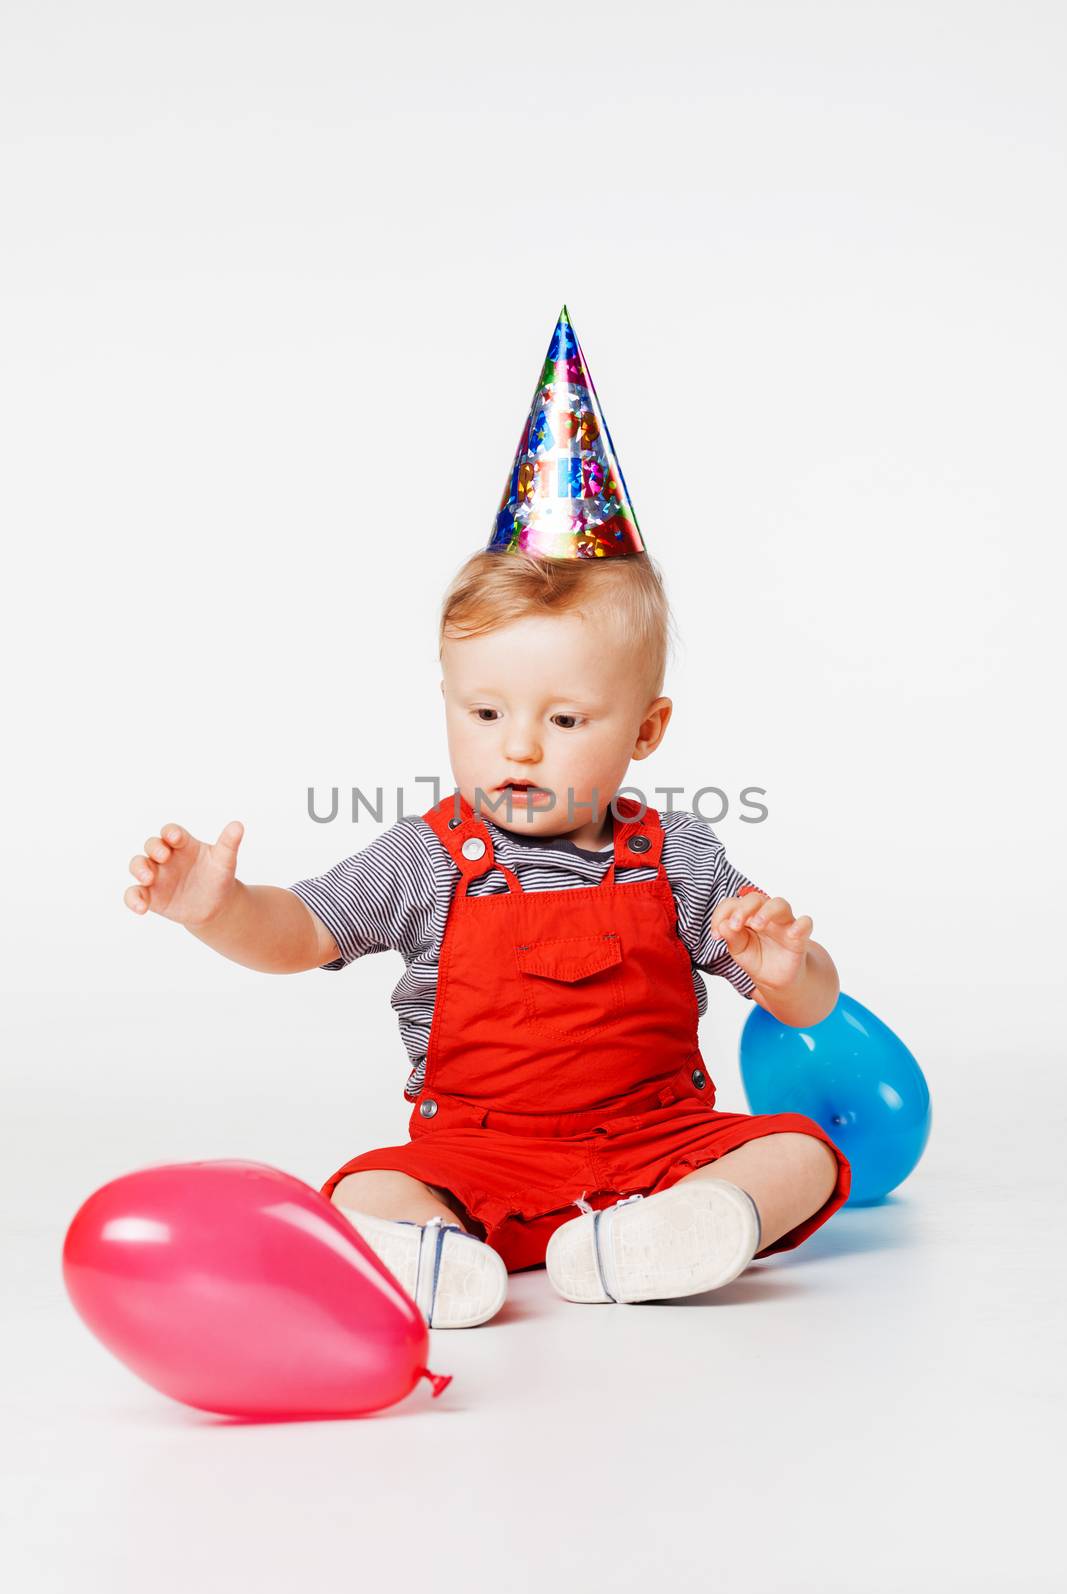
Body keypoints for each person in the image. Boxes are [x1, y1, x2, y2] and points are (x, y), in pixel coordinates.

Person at [123, 310, 850, 1328]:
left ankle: (681, 1225)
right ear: (447, 700)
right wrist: (218, 905)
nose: (517, 747)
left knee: (803, 1153)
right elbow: (300, 934)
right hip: (477, 1151)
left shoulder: (679, 857)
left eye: (563, 718)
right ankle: (432, 1251)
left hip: (655, 1141)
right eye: (484, 713)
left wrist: (785, 973)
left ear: (645, 730)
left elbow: (812, 1007)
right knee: (363, 1185)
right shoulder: (425, 858)